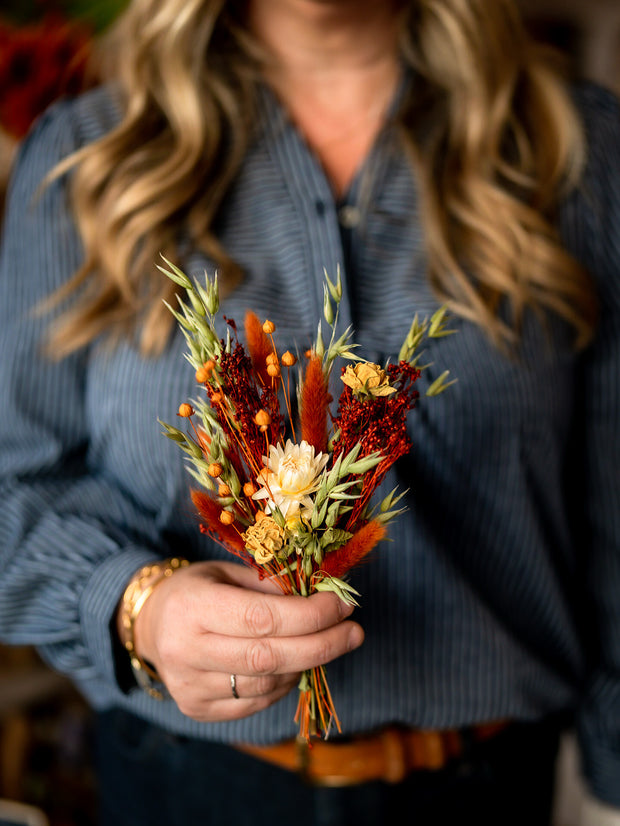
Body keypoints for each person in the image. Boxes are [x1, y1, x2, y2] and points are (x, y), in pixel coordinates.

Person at [0, 1, 618, 824]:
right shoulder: (88, 159)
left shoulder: (577, 151)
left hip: (488, 790)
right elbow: (14, 487)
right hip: (185, 789)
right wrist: (137, 603)